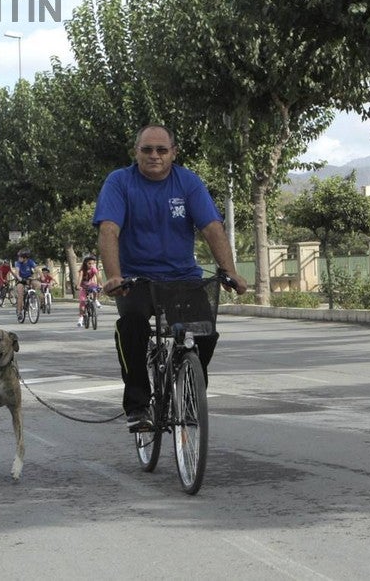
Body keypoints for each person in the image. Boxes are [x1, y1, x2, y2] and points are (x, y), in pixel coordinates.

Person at [94, 124, 247, 431]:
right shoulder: (120, 182)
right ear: (136, 151)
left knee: (206, 331)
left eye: (162, 150)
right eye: (147, 149)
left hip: (182, 278)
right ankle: (138, 405)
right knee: (132, 326)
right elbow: (109, 229)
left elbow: (212, 229)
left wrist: (230, 272)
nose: (154, 156)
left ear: (173, 153)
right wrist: (113, 276)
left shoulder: (188, 182)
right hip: (135, 279)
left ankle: (188, 389)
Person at [12, 248, 38, 321]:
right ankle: (19, 312)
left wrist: (41, 276)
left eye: (20, 257)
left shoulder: (30, 262)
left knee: (38, 284)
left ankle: (34, 297)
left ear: (24, 257)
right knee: (20, 294)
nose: (19, 258)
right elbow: (17, 272)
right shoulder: (18, 263)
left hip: (29, 279)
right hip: (21, 280)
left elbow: (37, 269)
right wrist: (19, 278)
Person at [76, 255, 100, 327]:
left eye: (93, 263)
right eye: (89, 263)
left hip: (91, 285)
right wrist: (78, 285)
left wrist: (100, 284)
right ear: (86, 263)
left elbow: (98, 276)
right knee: (82, 301)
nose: (91, 265)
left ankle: (95, 300)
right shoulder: (82, 271)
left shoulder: (94, 269)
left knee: (95, 290)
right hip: (83, 287)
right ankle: (81, 318)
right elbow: (80, 278)